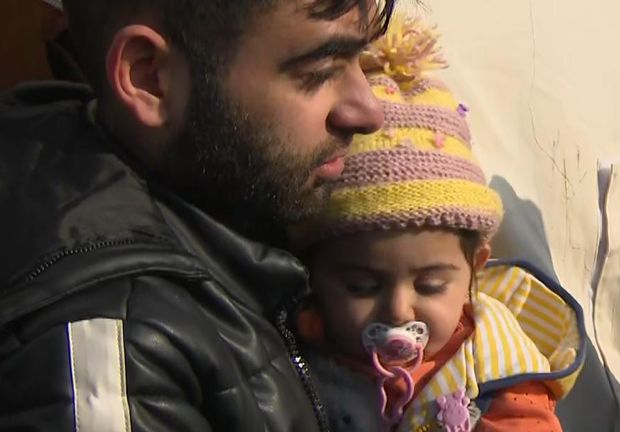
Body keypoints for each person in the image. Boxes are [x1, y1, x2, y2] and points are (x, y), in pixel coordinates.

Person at [0, 0, 394, 430]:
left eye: (363, 60)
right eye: (319, 70)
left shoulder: (227, 192)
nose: (369, 110)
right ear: (149, 77)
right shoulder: (118, 356)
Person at [291, 15, 586, 432]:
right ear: (314, 273)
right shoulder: (289, 349)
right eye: (360, 286)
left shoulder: (497, 371)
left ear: (475, 268)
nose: (397, 309)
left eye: (430, 285)